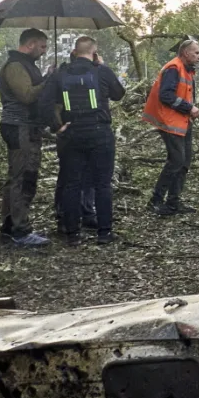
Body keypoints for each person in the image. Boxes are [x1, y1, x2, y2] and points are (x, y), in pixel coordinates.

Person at [38, 36, 125, 245]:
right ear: (94, 53)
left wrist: (57, 126)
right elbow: (119, 94)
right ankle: (104, 233)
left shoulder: (60, 73)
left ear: (74, 52)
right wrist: (102, 66)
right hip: (99, 132)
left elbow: (44, 102)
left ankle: (72, 235)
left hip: (71, 134)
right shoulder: (101, 71)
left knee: (71, 184)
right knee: (102, 184)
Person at [0, 28, 51, 247]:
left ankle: (13, 226)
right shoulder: (15, 66)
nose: (44, 51)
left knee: (26, 176)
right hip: (18, 126)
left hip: (28, 127)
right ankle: (18, 231)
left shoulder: (27, 65)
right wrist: (48, 80)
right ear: (30, 44)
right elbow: (27, 95)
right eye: (42, 46)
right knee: (20, 178)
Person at [144, 38, 199, 216]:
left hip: (182, 121)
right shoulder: (173, 68)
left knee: (184, 162)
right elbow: (166, 95)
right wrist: (189, 108)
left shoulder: (186, 69)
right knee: (176, 161)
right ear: (186, 53)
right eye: (196, 53)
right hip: (170, 122)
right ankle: (155, 201)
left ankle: (173, 202)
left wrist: (189, 110)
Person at [51, 45, 98, 232]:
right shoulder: (62, 76)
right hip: (70, 133)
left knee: (82, 174)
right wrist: (58, 126)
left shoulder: (84, 75)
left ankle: (83, 213)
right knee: (69, 176)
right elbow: (51, 104)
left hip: (81, 131)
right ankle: (66, 215)